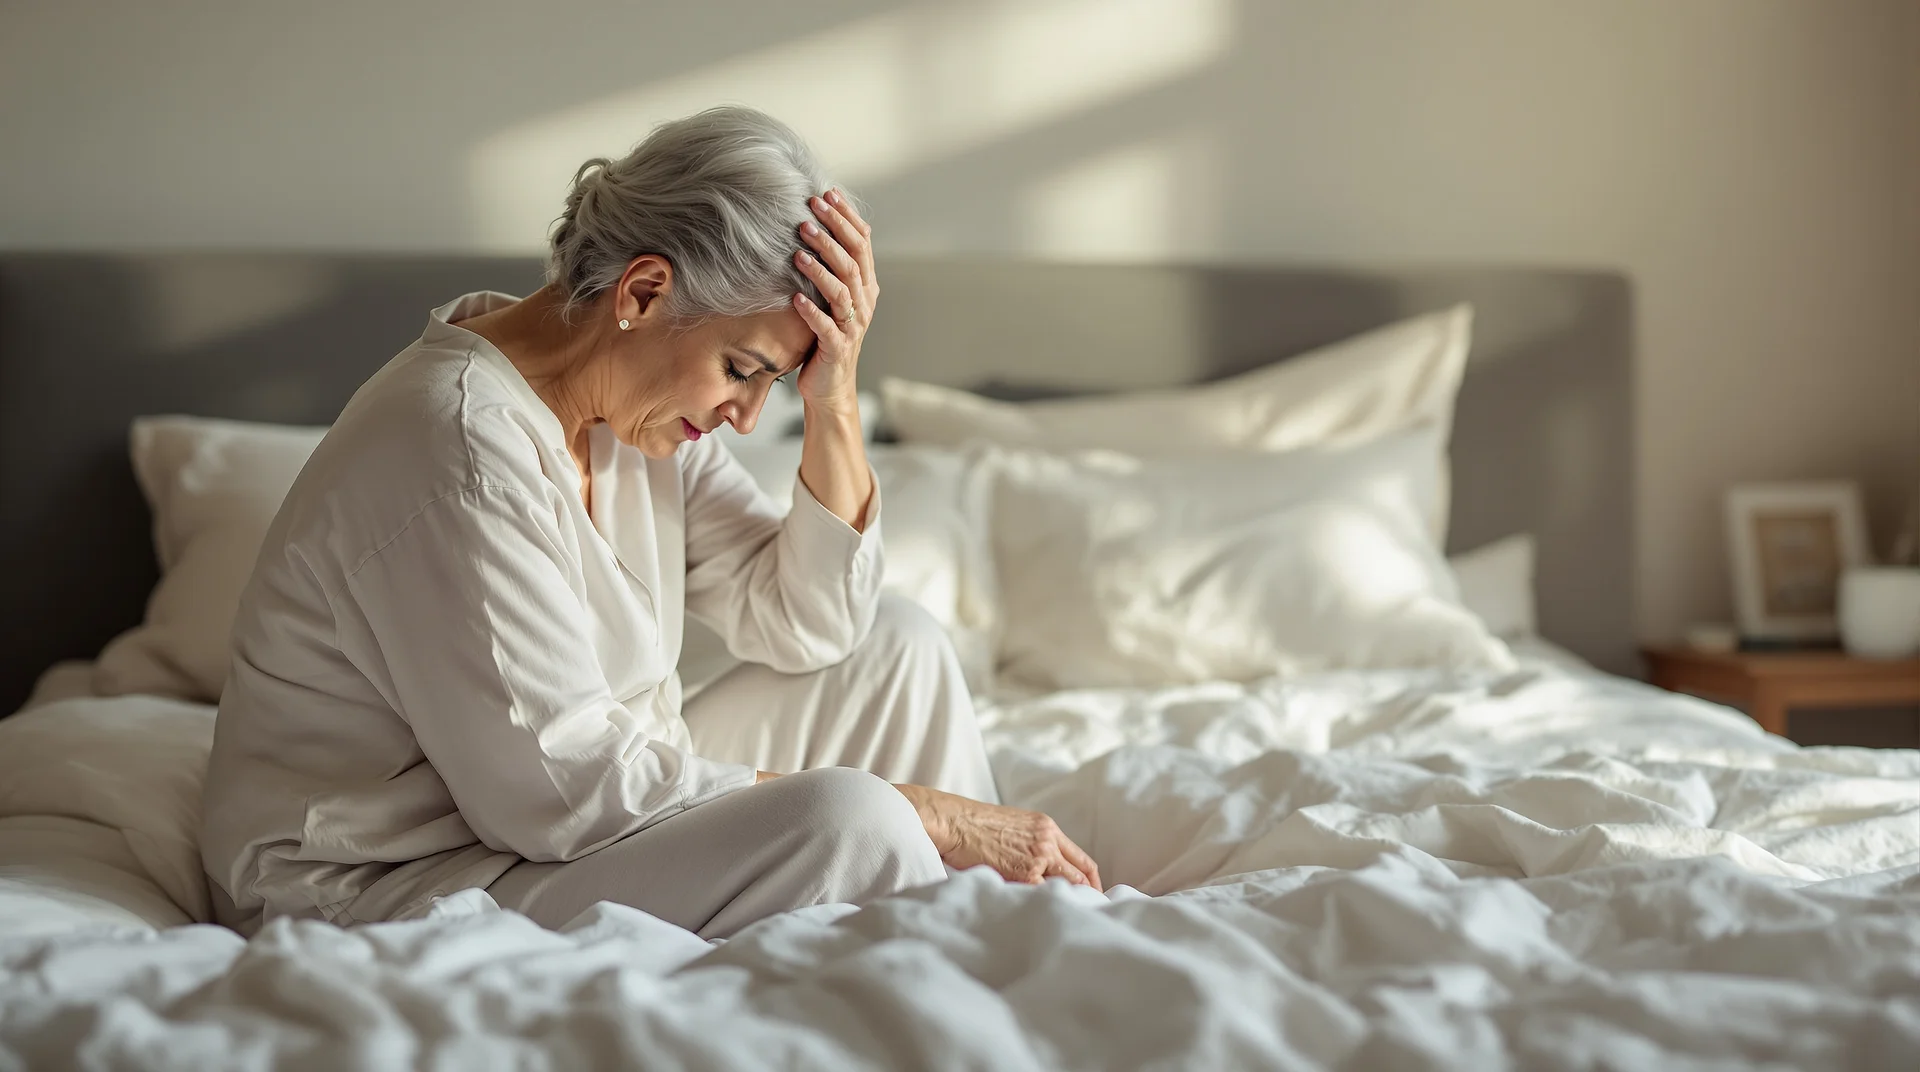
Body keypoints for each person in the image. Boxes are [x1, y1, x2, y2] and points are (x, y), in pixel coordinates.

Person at [199, 106, 1099, 939]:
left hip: (553, 814)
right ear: (641, 293)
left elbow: (812, 624)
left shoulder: (629, 407)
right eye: (743, 369)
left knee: (897, 649)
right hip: (388, 877)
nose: (748, 417)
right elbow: (567, 792)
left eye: (772, 382)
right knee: (857, 824)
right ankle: (956, 960)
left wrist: (835, 399)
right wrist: (926, 811)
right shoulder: (459, 449)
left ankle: (991, 931)